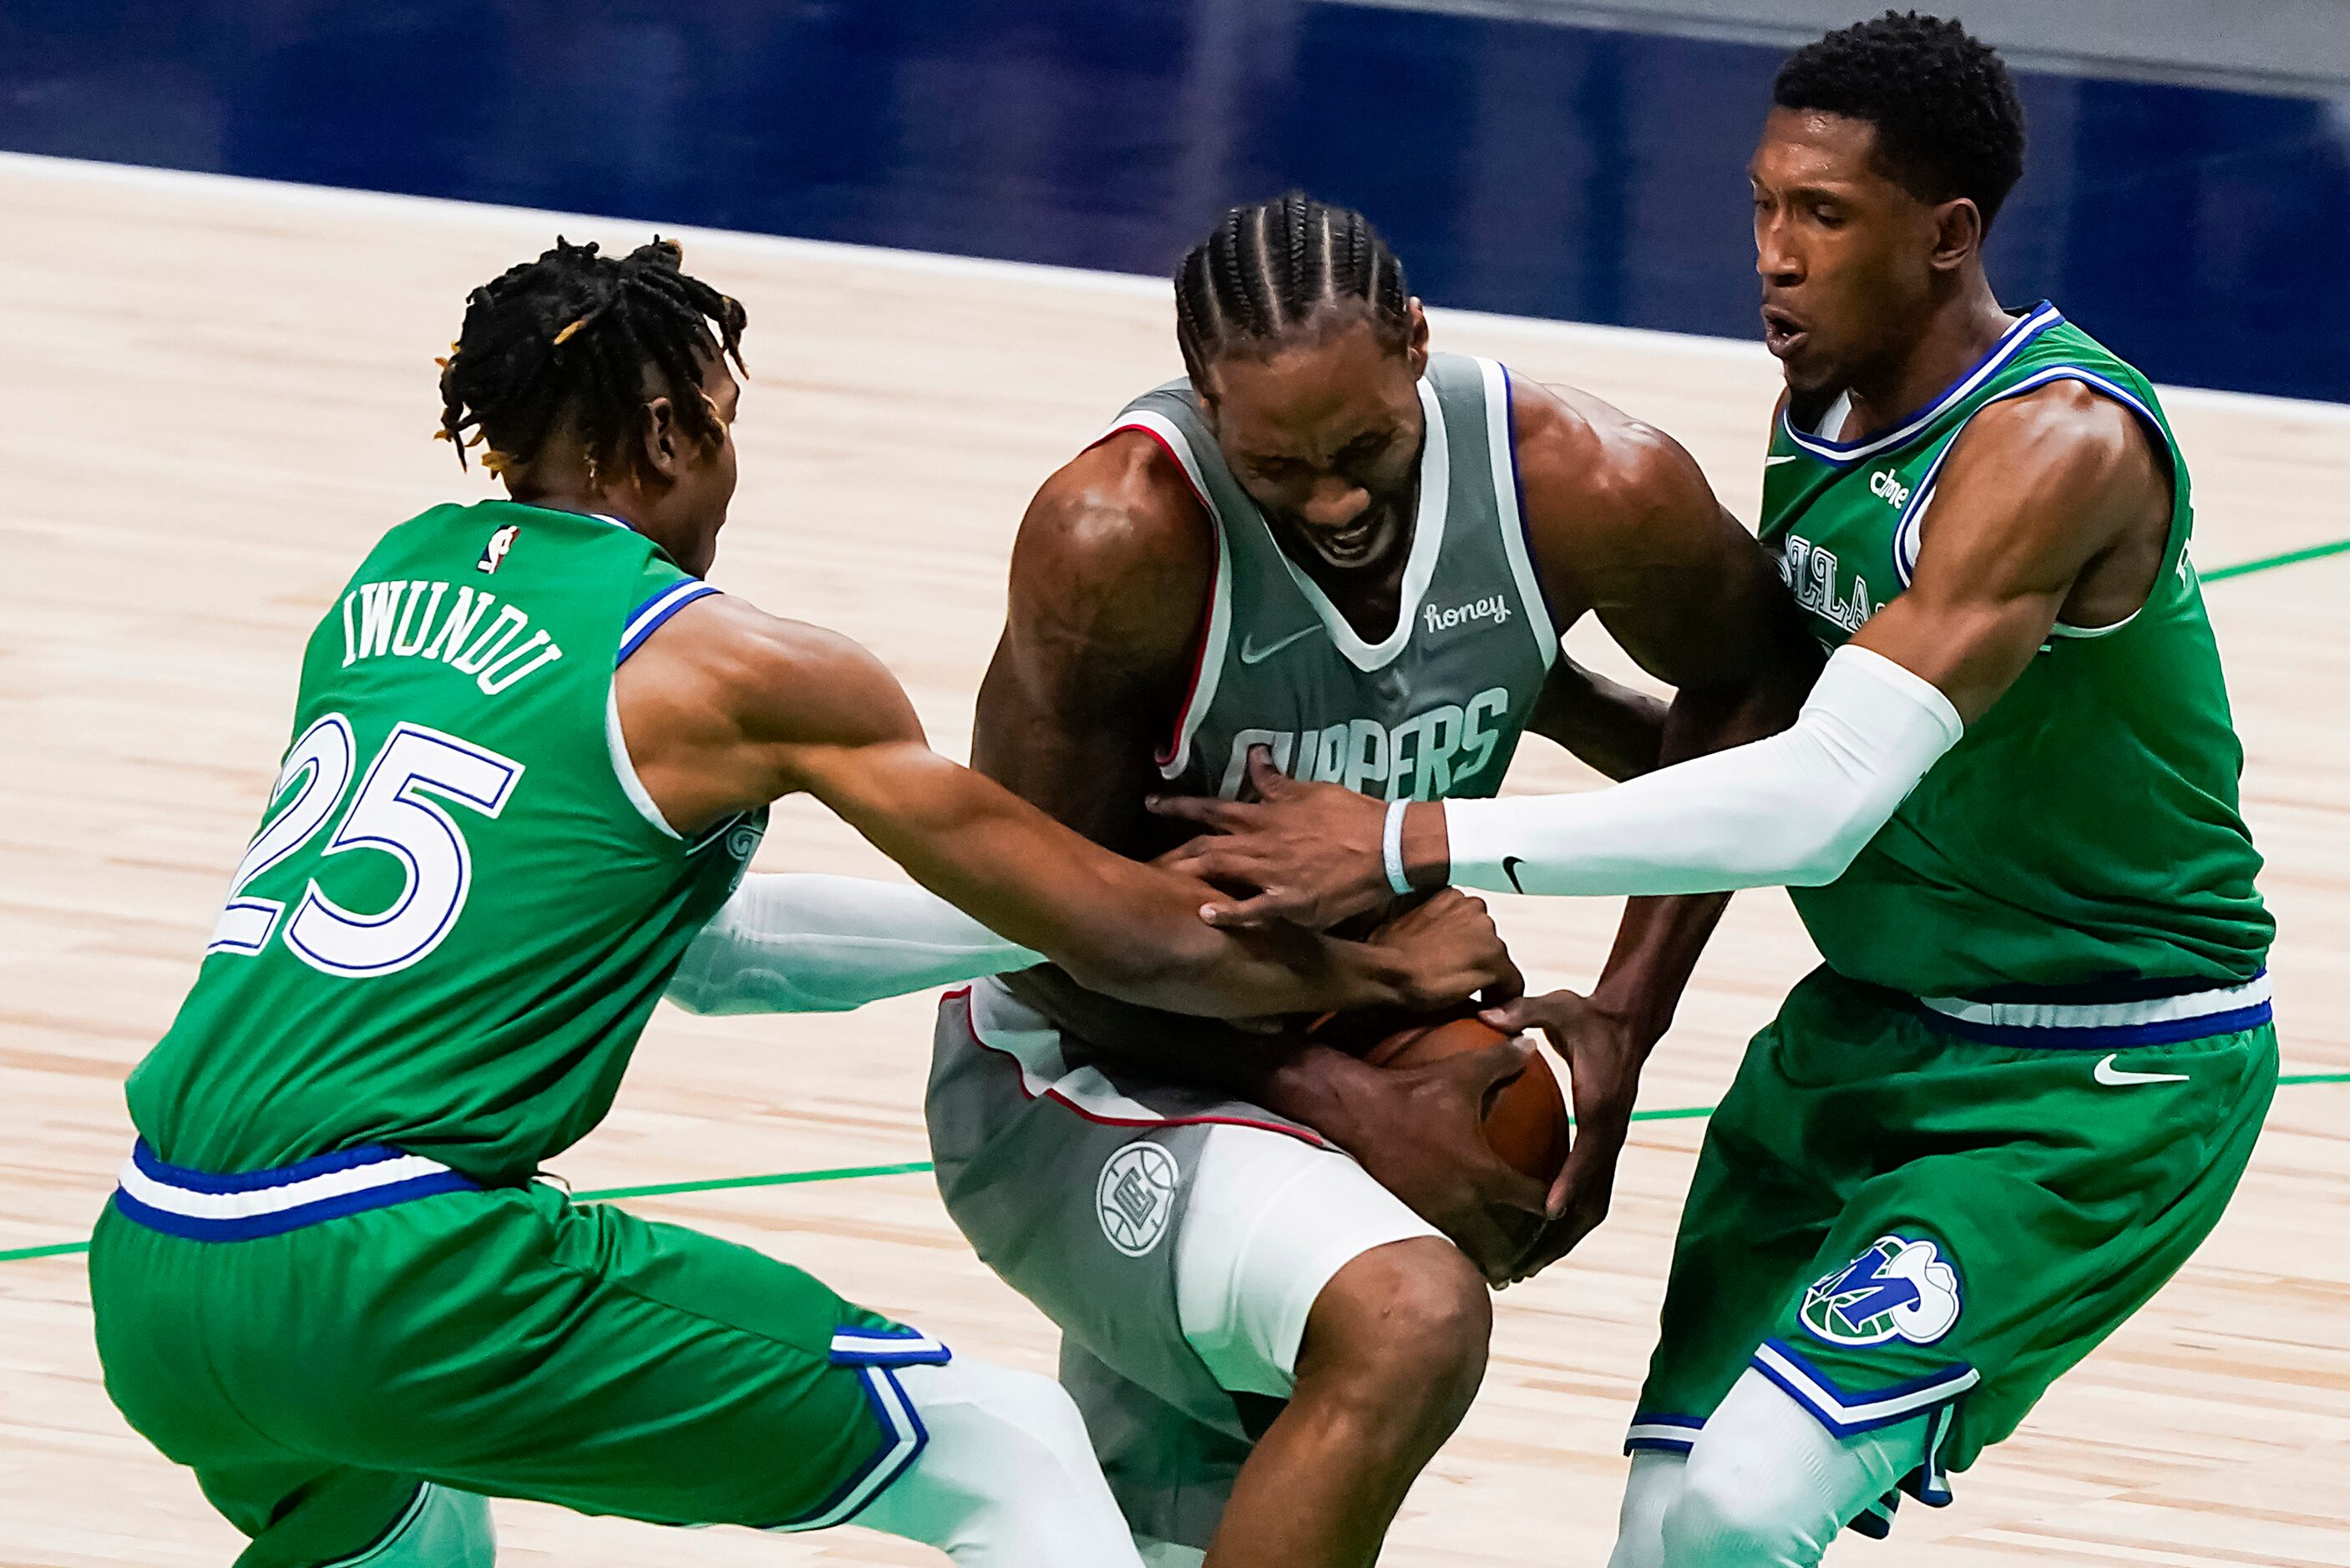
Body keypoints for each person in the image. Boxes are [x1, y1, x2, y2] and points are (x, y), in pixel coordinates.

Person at [84, 237, 1518, 1568]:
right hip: (392, 1265)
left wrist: (1055, 910)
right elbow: (1133, 943)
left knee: (419, 1517)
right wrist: (1374, 968)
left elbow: (716, 959)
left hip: (156, 1272)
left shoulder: (384, 585)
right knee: (1010, 1449)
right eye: (720, 425)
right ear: (666, 437)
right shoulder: (735, 670)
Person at [1154, 18, 2277, 1565]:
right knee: (1673, 1523)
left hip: (2095, 1070)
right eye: (1761, 205)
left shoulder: (2052, 446)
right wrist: (1540, 735)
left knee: (1745, 1507)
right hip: (1862, 1032)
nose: (1772, 255)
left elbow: (1813, 800)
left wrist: (1415, 836)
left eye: (1822, 216)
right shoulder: (1816, 417)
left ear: (1947, 236)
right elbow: (1787, 753)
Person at [909, 194, 1818, 1568]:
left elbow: (1750, 682)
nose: (1331, 500)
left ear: (1414, 344)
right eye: (1277, 466)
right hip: (1080, 1064)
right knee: (1404, 1319)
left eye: (1363, 449)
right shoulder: (1117, 541)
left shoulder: (1581, 482)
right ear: (1200, 397)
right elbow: (1038, 931)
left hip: (1335, 1011)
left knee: (1172, 1526)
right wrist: (1330, 1067)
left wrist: (1628, 1015)